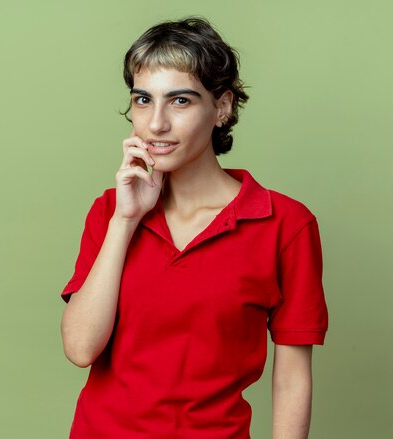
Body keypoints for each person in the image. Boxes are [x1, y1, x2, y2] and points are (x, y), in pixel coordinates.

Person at [60, 17, 328, 439]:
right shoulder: (111, 211)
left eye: (180, 101)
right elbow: (80, 349)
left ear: (222, 107)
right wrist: (126, 220)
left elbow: (292, 378)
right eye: (143, 100)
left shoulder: (285, 225)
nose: (156, 124)